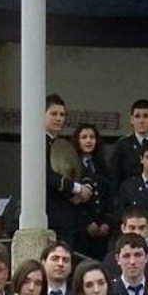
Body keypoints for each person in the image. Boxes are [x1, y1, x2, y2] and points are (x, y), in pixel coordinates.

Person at [45, 96, 94, 247]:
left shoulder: (64, 144)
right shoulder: (38, 142)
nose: (59, 118)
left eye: (62, 114)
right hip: (51, 212)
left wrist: (85, 189)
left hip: (69, 214)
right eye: (54, 114)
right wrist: (77, 189)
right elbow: (46, 176)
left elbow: (81, 170)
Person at [73, 123, 115, 259]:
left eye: (92, 137)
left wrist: (107, 222)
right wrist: (87, 222)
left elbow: (109, 196)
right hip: (80, 227)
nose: (88, 140)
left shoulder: (102, 165)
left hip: (102, 229)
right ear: (77, 141)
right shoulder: (72, 165)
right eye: (84, 137)